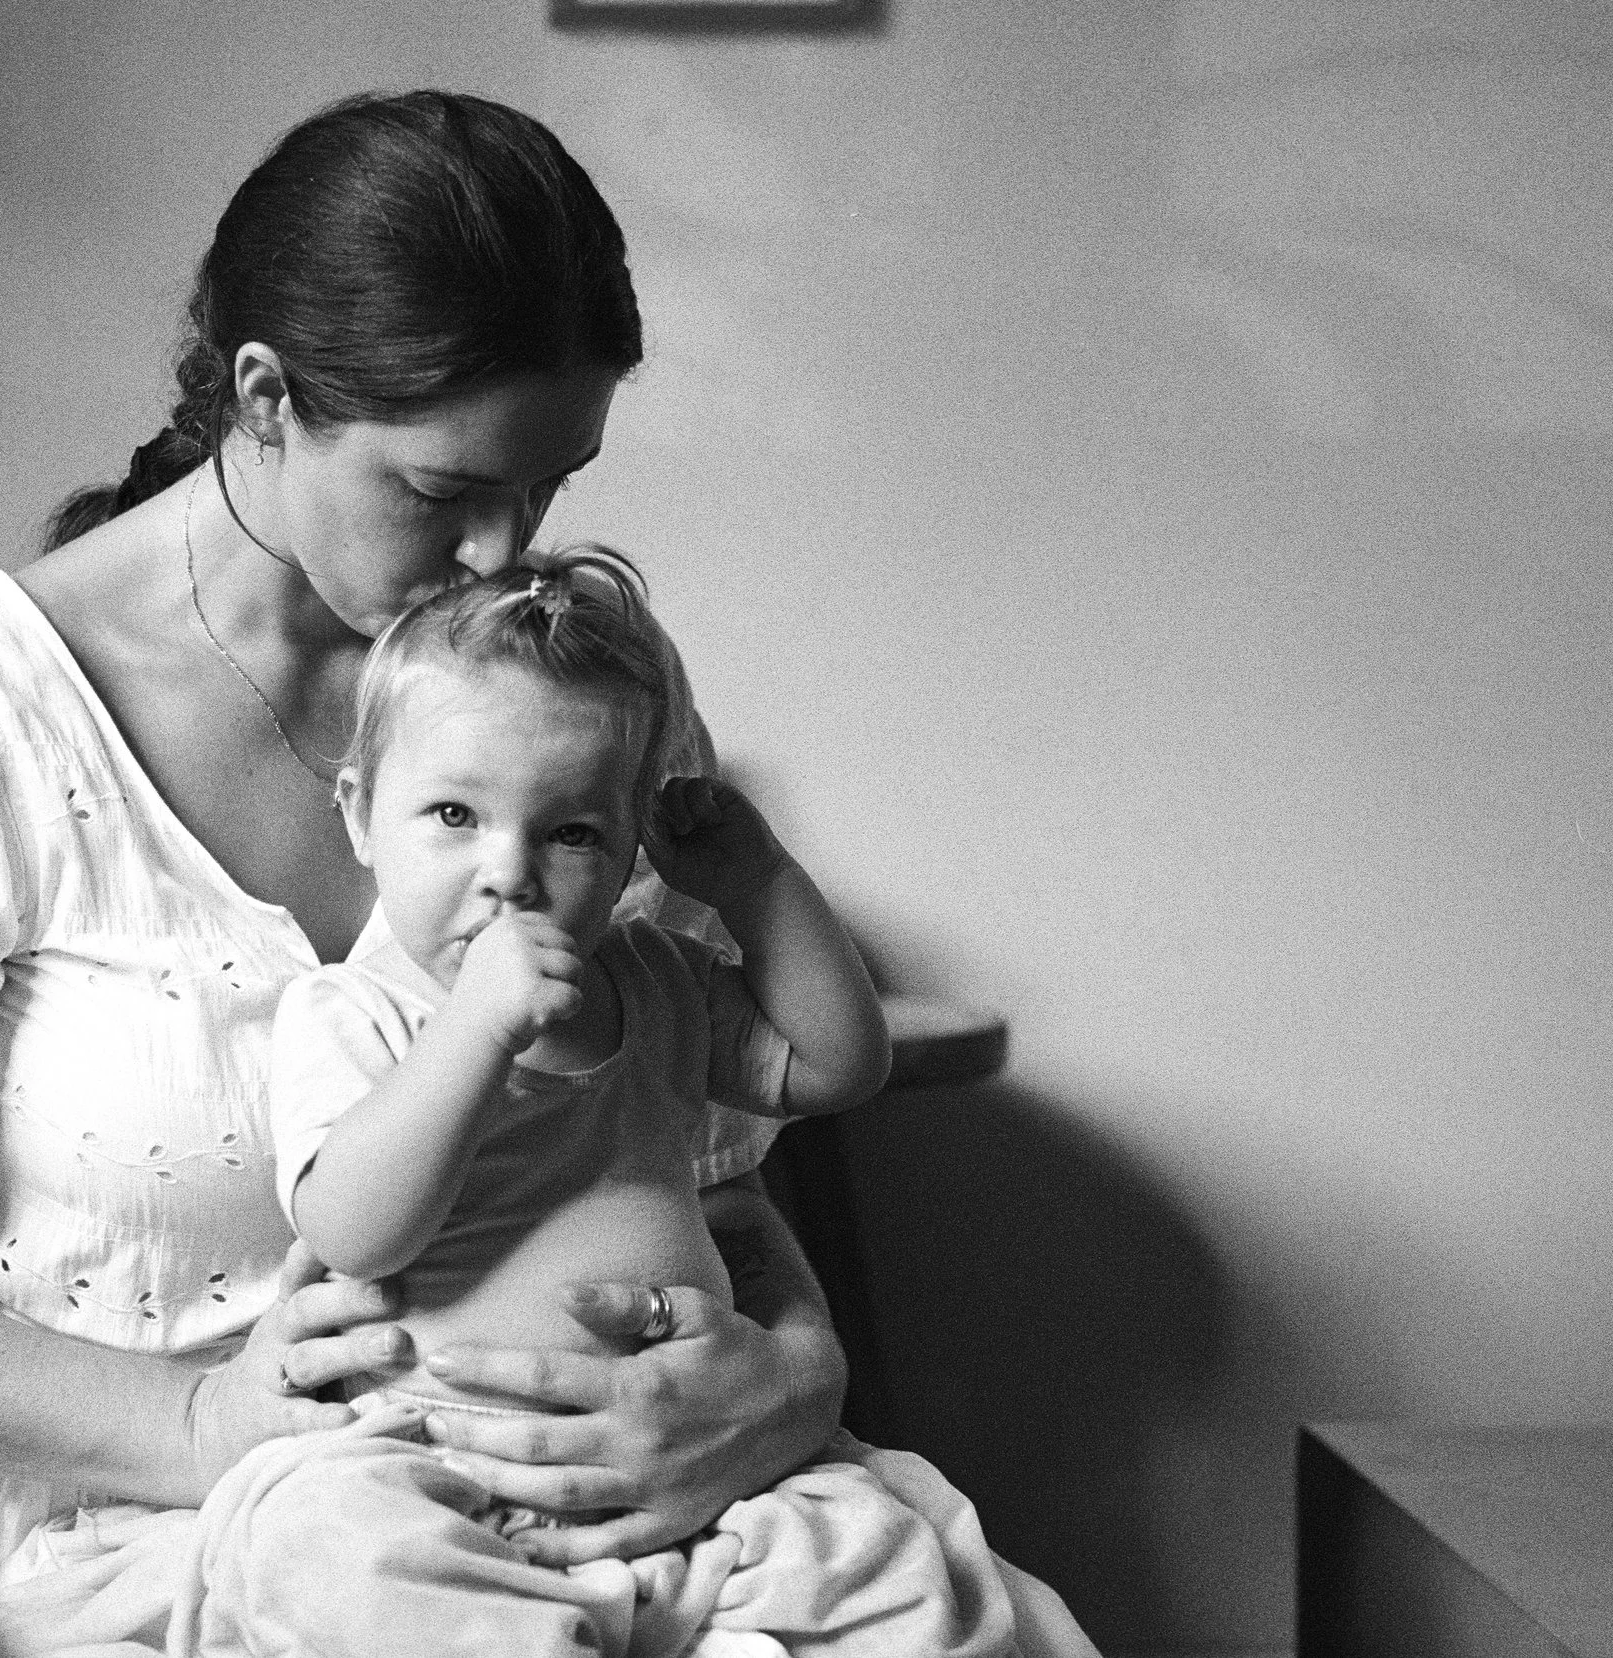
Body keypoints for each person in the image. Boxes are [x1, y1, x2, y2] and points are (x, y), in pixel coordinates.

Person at [0, 88, 1092, 1654]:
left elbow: (681, 1137)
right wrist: (201, 1422)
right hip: (181, 1533)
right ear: (267, 400)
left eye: (550, 483)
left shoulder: (559, 689)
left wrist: (792, 1368)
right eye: (440, 490)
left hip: (619, 1514)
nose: (505, 551)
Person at [206, 548, 1017, 1657]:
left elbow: (840, 1066)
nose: (510, 870)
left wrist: (759, 881)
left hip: (690, 1477)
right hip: (435, 1462)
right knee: (324, 1546)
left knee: (887, 1568)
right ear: (360, 814)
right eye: (452, 812)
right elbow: (353, 1226)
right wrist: (478, 1028)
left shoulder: (654, 980)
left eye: (572, 831)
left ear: (633, 844)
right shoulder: (353, 1011)